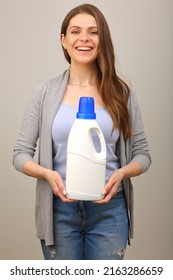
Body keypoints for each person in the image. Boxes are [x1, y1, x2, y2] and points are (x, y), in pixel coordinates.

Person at [13, 3, 151, 260]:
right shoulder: (44, 94)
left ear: (102, 40)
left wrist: (121, 173)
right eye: (75, 31)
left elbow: (143, 155)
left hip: (110, 211)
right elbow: (20, 154)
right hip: (59, 213)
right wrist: (46, 174)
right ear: (63, 40)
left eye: (93, 32)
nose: (84, 38)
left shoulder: (121, 93)